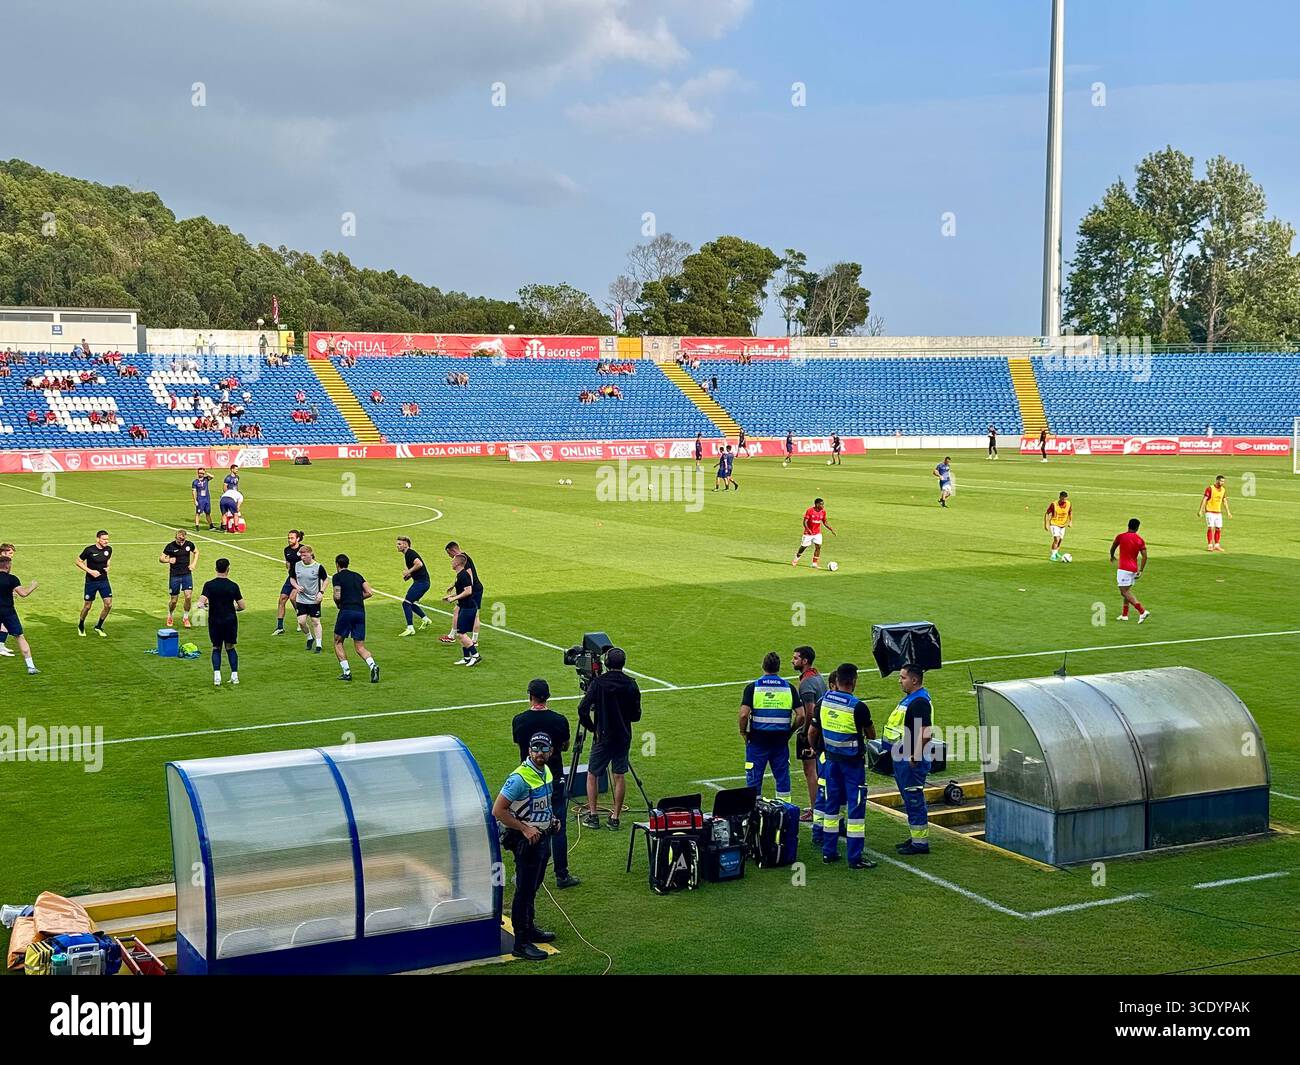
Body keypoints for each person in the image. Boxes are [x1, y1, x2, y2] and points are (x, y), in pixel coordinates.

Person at [491, 733, 560, 961]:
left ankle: (529, 929)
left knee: (533, 887)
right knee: (524, 890)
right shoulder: (519, 778)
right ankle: (521, 942)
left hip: (541, 838)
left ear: (551, 751)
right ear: (529, 751)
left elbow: (541, 805)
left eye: (544, 749)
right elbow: (498, 810)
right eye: (535, 748)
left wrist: (551, 821)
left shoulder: (545, 772)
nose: (540, 753)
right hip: (526, 841)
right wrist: (524, 828)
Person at [511, 679, 581, 890]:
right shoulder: (559, 720)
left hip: (528, 781)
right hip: (554, 778)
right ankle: (562, 874)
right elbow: (566, 746)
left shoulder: (519, 720)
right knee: (558, 826)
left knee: (528, 826)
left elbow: (519, 743)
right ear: (548, 696)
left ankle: (523, 873)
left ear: (530, 695)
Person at [807, 662, 875, 868]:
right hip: (852, 765)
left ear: (836, 681)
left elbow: (812, 733)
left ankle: (829, 852)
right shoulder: (858, 707)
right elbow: (871, 734)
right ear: (853, 682)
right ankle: (854, 858)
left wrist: (817, 749)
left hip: (831, 762)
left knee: (831, 806)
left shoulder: (823, 701)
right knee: (855, 810)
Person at [578, 647, 641, 830]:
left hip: (603, 736)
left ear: (606, 663)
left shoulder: (598, 683)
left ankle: (593, 815)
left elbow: (582, 709)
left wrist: (592, 728)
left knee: (592, 774)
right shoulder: (631, 684)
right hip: (623, 736)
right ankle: (615, 818)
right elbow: (636, 715)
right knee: (619, 776)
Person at [883, 664, 934, 856]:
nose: (899, 680)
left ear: (914, 680)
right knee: (909, 798)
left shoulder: (919, 702)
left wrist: (916, 756)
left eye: (903, 677)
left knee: (913, 800)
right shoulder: (912, 699)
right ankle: (916, 837)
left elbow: (926, 732)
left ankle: (920, 843)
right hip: (903, 756)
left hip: (911, 759)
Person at [738, 651, 800, 806]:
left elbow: (744, 715)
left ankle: (753, 816)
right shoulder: (789, 688)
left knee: (754, 778)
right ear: (778, 667)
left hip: (758, 740)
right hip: (780, 740)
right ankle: (785, 814)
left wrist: (743, 732)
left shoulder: (753, 688)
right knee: (782, 779)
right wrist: (790, 731)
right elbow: (802, 715)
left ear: (763, 666)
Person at [792, 646, 828, 825]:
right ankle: (817, 806)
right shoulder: (818, 677)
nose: (793, 661)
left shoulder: (806, 683)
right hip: (822, 730)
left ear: (805, 661)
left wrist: (805, 734)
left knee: (810, 770)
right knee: (817, 770)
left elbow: (809, 711)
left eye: (796, 658)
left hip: (813, 733)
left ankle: (815, 809)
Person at [198, 558, 245, 687]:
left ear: (216, 569)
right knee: (230, 647)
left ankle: (217, 677)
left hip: (215, 620)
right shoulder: (233, 586)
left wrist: (206, 606)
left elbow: (200, 603)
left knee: (216, 647)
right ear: (228, 569)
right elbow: (242, 606)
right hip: (230, 620)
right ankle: (234, 676)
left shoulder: (209, 585)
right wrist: (233, 608)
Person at [332, 554, 379, 682]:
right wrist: (357, 599)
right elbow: (369, 592)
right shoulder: (358, 576)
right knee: (359, 646)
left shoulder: (337, 577)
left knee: (338, 641)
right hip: (360, 612)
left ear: (337, 564)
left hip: (346, 611)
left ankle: (347, 672)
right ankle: (372, 665)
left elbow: (337, 595)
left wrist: (339, 604)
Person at [0, 557, 39, 674]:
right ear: (7, 565)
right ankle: (31, 667)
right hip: (8, 612)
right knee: (19, 637)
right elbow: (23, 593)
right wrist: (33, 586)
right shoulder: (12, 579)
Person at [440, 541, 482, 646]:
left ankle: (469, 639)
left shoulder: (464, 560)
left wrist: (457, 594)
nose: (450, 557)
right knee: (458, 611)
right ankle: (454, 635)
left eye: (449, 554)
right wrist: (454, 585)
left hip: (474, 590)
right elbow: (463, 576)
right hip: (474, 589)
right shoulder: (464, 558)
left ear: (452, 551)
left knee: (474, 614)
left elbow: (469, 578)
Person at [290, 545, 329, 653]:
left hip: (314, 599)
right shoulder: (297, 565)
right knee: (301, 622)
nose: (302, 558)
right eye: (301, 555)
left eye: (305, 555)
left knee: (315, 621)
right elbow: (292, 578)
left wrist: (321, 592)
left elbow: (326, 580)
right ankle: (309, 637)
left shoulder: (318, 567)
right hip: (301, 599)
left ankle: (318, 645)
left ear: (311, 554)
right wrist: (297, 587)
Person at [1110, 517, 1150, 623]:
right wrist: (1141, 570)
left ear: (1128, 525)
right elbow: (1145, 556)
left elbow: (1113, 547)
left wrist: (1112, 556)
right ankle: (1124, 614)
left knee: (1124, 591)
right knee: (1126, 590)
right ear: (1137, 528)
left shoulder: (1121, 536)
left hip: (1123, 569)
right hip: (1133, 569)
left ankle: (1142, 611)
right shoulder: (1139, 539)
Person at [444, 553, 481, 666]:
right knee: (462, 633)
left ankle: (475, 655)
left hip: (468, 608)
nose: (451, 562)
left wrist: (453, 598)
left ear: (457, 563)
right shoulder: (459, 574)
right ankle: (466, 658)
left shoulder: (463, 575)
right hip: (465, 607)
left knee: (461, 634)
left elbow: (468, 591)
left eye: (453, 560)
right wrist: (451, 596)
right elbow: (463, 591)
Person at [76, 530, 113, 637]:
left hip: (103, 581)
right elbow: (78, 561)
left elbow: (108, 559)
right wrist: (90, 571)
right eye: (104, 539)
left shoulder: (109, 549)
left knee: (108, 604)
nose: (106, 541)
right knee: (87, 606)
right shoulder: (89, 550)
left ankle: (98, 626)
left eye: (107, 539)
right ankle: (81, 625)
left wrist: (108, 567)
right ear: (98, 539)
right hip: (91, 582)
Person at [160, 529, 197, 628]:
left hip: (186, 574)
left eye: (183, 540)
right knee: (174, 600)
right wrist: (168, 560)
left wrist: (193, 564)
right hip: (175, 575)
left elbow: (196, 552)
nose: (181, 542)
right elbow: (161, 558)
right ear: (176, 537)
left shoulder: (189, 545)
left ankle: (185, 617)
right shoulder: (170, 546)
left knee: (188, 597)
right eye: (180, 539)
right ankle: (170, 615)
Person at [397, 536, 433, 635]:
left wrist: (408, 571)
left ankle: (410, 628)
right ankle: (425, 620)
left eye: (399, 544)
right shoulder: (408, 554)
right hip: (422, 582)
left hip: (421, 583)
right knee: (410, 603)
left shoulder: (410, 553)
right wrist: (408, 576)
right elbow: (416, 568)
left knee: (406, 603)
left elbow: (419, 564)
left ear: (405, 544)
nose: (397, 546)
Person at [273, 530, 305, 634]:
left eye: (292, 538)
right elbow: (288, 563)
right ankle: (280, 627)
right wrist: (291, 573)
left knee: (293, 598)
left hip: (302, 578)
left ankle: (300, 617)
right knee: (282, 599)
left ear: (298, 539)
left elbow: (311, 563)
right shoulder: (286, 550)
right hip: (291, 577)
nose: (289, 540)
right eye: (288, 538)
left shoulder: (303, 549)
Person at [792, 496, 835, 568]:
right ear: (817, 504)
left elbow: (824, 521)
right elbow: (805, 522)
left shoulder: (823, 512)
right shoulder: (810, 511)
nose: (823, 506)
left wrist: (831, 529)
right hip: (808, 533)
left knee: (818, 546)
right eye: (821, 504)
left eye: (823, 504)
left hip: (817, 533)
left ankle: (814, 563)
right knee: (804, 547)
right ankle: (796, 559)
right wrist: (808, 529)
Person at [1198, 474, 1232, 552]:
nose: (1223, 483)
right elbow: (1204, 499)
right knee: (1210, 527)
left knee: (1218, 528)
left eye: (1224, 481)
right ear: (1217, 481)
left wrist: (1228, 512)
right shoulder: (1210, 488)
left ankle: (1216, 545)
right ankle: (1210, 545)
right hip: (1210, 511)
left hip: (1218, 512)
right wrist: (1201, 510)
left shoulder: (1223, 490)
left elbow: (1224, 501)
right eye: (1221, 481)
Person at [1044, 491, 1073, 562]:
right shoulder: (1054, 504)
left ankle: (1056, 552)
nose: (1064, 500)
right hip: (1054, 523)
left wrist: (1070, 521)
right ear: (1059, 497)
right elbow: (1047, 513)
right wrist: (1046, 524)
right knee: (1056, 539)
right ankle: (1053, 555)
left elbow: (1070, 512)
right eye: (1063, 499)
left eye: (1065, 499)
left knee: (1060, 540)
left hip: (1063, 525)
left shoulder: (1068, 504)